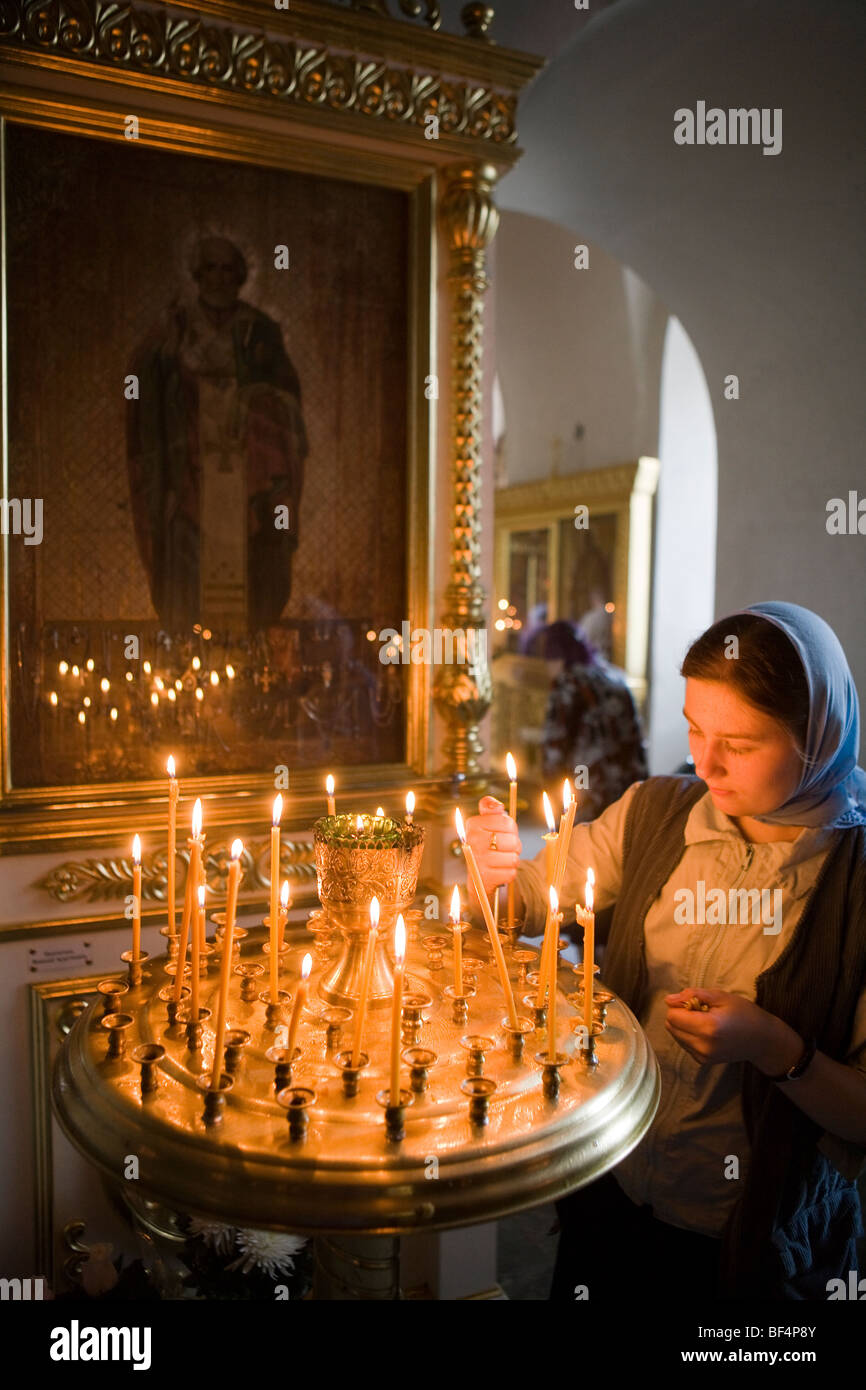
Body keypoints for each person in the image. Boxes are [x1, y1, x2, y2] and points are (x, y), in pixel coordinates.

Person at [465, 601, 866, 1301]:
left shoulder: (855, 885)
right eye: (693, 729)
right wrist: (494, 870)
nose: (705, 763)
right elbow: (527, 897)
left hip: (742, 1242)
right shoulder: (659, 812)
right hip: (610, 1185)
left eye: (739, 744)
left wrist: (774, 1046)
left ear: (818, 734)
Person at [126, 235, 308, 633]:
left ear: (241, 275)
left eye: (228, 269)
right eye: (211, 268)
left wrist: (253, 400)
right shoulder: (175, 324)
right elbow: (144, 387)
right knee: (187, 538)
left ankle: (252, 631)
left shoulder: (260, 330)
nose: (219, 278)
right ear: (197, 274)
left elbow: (288, 399)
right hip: (189, 463)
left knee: (259, 538)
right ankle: (188, 635)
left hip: (250, 466)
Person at [526, 619, 648, 818]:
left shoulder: (568, 683)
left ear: (556, 656)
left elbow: (556, 739)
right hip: (626, 780)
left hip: (585, 779)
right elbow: (635, 734)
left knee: (578, 840)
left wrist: (549, 782)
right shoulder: (615, 675)